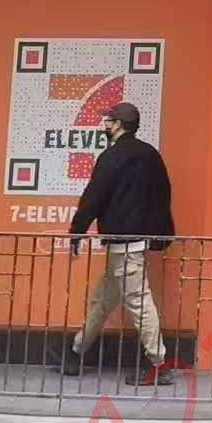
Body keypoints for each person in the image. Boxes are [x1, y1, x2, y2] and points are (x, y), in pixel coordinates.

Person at [53, 102, 177, 386]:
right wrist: (160, 235)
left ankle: (158, 364)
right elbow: (163, 195)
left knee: (138, 301)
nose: (105, 125)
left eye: (108, 120)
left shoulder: (111, 157)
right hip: (136, 242)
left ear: (118, 124)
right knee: (104, 299)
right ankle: (76, 351)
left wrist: (77, 231)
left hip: (122, 242)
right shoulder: (150, 155)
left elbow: (94, 197)